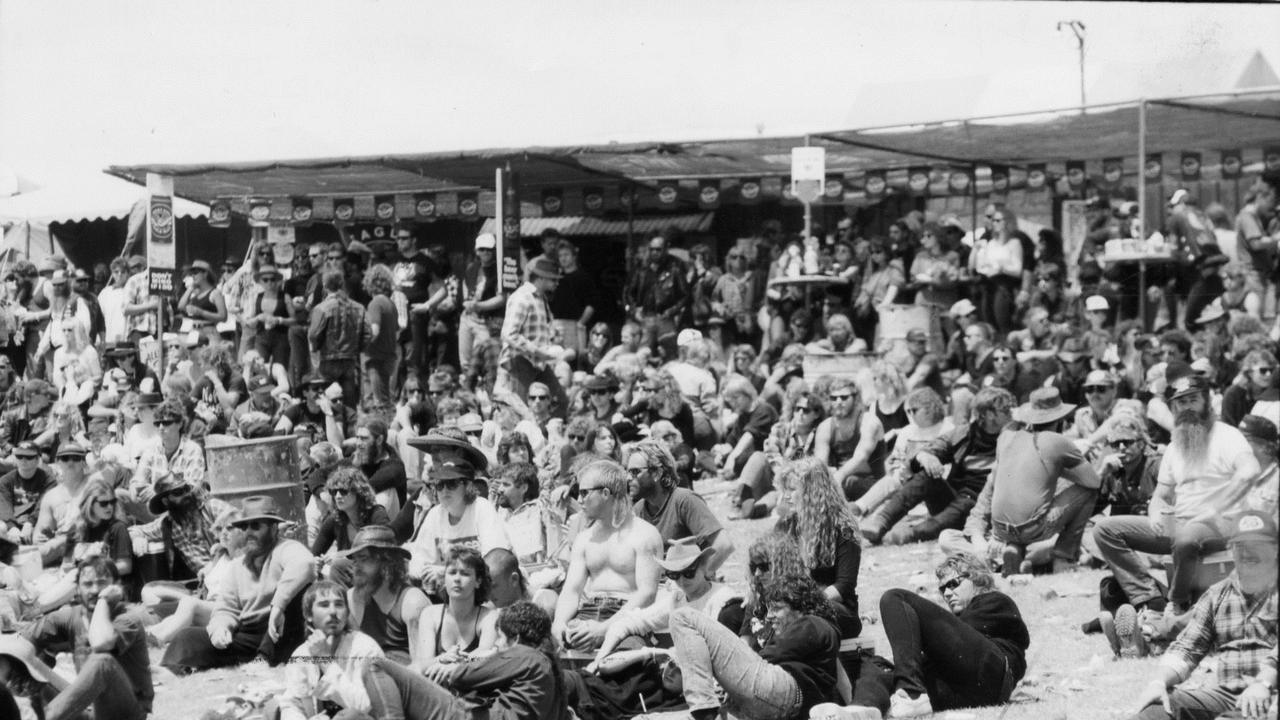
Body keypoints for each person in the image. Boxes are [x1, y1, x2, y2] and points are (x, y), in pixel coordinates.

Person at [1092, 369, 1263, 631]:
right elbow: (1161, 494)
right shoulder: (1175, 446)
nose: (1187, 407)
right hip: (1181, 523)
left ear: (1207, 401)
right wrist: (1155, 513)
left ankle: (1176, 604)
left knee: (1186, 537)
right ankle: (1150, 600)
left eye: (1193, 400)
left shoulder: (1227, 435)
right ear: (1173, 407)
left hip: (1222, 522)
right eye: (1181, 402)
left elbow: (1249, 471)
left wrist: (1215, 508)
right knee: (1106, 529)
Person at [1127, 510, 1277, 720]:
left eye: (1257, 546)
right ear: (1231, 550)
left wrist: (1264, 683)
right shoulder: (1217, 595)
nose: (1247, 553)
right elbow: (1187, 647)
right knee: (1159, 707)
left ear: (1275, 550)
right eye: (1240, 546)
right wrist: (1158, 682)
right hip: (1224, 696)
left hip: (1272, 695)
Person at [162, 495, 316, 671]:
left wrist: (278, 606)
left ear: (273, 529)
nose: (249, 532)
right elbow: (225, 607)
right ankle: (170, 669)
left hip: (281, 628)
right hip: (249, 634)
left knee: (298, 594)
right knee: (187, 636)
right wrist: (221, 628)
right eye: (244, 526)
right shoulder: (237, 566)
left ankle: (263, 660)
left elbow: (306, 564)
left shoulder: (285, 548)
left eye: (256, 526)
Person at [668, 572, 840, 720]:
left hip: (783, 691)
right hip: (782, 705)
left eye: (777, 609)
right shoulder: (823, 632)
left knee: (682, 617)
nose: (770, 616)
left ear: (800, 607)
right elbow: (840, 681)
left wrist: (730, 676)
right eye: (769, 609)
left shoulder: (812, 623)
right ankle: (705, 706)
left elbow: (769, 656)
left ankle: (703, 708)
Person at [966, 388, 1101, 574]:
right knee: (1088, 492)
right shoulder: (1057, 441)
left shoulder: (1006, 436)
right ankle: (1063, 557)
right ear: (1059, 418)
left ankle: (1014, 549)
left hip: (1000, 530)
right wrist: (1060, 469)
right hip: (1032, 528)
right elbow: (1093, 482)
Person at [363, 601, 572, 720]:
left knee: (376, 665)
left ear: (515, 638)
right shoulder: (548, 668)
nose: (497, 644)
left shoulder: (526, 655)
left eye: (500, 637)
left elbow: (463, 676)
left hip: (464, 716)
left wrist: (452, 664)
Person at [878, 553, 1029, 718]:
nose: (948, 593)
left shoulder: (995, 601)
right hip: (965, 690)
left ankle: (911, 692)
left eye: (953, 584)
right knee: (874, 665)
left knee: (895, 598)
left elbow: (955, 640)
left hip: (992, 672)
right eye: (943, 589)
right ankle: (863, 708)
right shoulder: (962, 624)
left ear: (977, 579)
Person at [862, 387, 1014, 547]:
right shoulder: (964, 434)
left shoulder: (1015, 436)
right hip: (956, 496)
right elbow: (935, 447)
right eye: (1005, 410)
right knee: (927, 476)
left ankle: (909, 534)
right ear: (989, 414)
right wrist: (926, 457)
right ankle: (881, 521)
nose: (1011, 414)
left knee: (962, 506)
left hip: (982, 505)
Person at [22, 557, 155, 720]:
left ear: (117, 587)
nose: (94, 590)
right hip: (88, 709)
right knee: (20, 657)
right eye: (87, 584)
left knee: (102, 662)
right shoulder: (70, 617)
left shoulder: (128, 618)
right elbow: (17, 643)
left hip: (125, 712)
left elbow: (100, 643)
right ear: (77, 589)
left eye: (102, 583)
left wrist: (103, 601)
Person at [553, 459, 663, 653]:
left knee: (627, 659)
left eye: (585, 493)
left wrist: (604, 629)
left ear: (605, 493)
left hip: (627, 615)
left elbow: (647, 594)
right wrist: (560, 622)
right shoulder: (584, 538)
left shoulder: (644, 535)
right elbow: (571, 590)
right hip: (587, 612)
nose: (579, 500)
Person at [276, 580, 384, 720]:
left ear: (347, 613)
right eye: (324, 605)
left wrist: (325, 660)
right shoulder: (301, 655)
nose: (333, 612)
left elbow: (366, 707)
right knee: (272, 707)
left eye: (339, 605)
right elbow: (292, 704)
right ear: (308, 615)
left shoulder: (365, 648)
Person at [627, 440, 733, 576]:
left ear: (657, 473)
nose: (628, 477)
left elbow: (723, 546)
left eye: (635, 472)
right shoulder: (638, 509)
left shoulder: (684, 500)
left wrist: (697, 581)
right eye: (627, 471)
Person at [334, 525, 430, 667]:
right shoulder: (351, 599)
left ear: (387, 563)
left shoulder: (412, 602)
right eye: (355, 560)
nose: (356, 567)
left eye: (364, 559)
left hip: (404, 680)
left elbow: (422, 667)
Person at [499, 256, 569, 412]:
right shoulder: (521, 297)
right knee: (519, 409)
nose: (556, 284)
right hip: (520, 361)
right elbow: (508, 334)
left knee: (560, 401)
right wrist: (538, 351)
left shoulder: (541, 298)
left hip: (538, 362)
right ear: (542, 278)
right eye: (554, 280)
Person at [415, 545, 498, 673]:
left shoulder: (489, 617)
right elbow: (422, 665)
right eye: (452, 572)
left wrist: (452, 667)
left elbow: (484, 661)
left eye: (465, 574)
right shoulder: (430, 614)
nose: (457, 579)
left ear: (478, 581)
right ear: (445, 578)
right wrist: (442, 659)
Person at [814, 377, 885, 502]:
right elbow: (820, 463)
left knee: (850, 482)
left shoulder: (869, 422)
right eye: (834, 398)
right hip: (840, 481)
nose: (839, 401)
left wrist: (838, 475)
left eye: (844, 397)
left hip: (872, 482)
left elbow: (861, 459)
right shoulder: (825, 427)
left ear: (856, 398)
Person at [309, 269, 367, 407]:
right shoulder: (358, 308)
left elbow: (313, 335)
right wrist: (358, 348)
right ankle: (350, 427)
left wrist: (316, 348)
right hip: (350, 359)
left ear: (324, 285)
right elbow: (368, 334)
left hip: (328, 359)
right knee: (349, 401)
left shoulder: (321, 308)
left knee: (328, 399)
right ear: (342, 284)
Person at [492, 461, 566, 566]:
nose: (500, 489)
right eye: (500, 484)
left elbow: (556, 551)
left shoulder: (540, 510)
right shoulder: (500, 512)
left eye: (506, 485)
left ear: (523, 488)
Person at [623, 234, 689, 350]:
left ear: (665, 249)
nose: (654, 252)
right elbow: (627, 293)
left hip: (665, 318)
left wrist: (671, 311)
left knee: (669, 352)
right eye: (652, 249)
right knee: (643, 352)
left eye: (658, 249)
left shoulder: (675, 268)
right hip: (645, 317)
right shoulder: (641, 269)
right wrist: (633, 311)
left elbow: (685, 295)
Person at [311, 467, 391, 560]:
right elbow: (314, 554)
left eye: (343, 491)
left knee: (338, 565)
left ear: (358, 492)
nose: (338, 496)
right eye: (334, 492)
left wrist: (341, 556)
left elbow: (387, 548)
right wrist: (316, 563)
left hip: (373, 571)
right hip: (346, 572)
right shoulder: (335, 519)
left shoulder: (377, 514)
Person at [716, 375, 779, 482]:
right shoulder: (742, 415)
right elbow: (732, 441)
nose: (733, 403)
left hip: (763, 456)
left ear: (748, 394)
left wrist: (732, 457)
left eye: (736, 397)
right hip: (744, 455)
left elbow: (748, 436)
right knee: (704, 455)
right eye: (730, 400)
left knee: (742, 459)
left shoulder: (764, 410)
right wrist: (721, 451)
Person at [0, 440, 54, 540]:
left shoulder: (48, 480)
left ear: (38, 459)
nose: (23, 460)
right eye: (19, 456)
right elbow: (4, 506)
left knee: (44, 532)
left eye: (29, 457)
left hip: (37, 522)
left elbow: (44, 505)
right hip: (12, 523)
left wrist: (31, 522)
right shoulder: (5, 481)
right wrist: (12, 528)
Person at [175, 260, 227, 345]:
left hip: (209, 332)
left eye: (196, 273)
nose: (193, 276)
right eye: (191, 273)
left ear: (205, 274)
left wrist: (201, 312)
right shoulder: (195, 293)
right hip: (194, 332)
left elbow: (223, 316)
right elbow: (181, 306)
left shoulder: (215, 293)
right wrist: (190, 288)